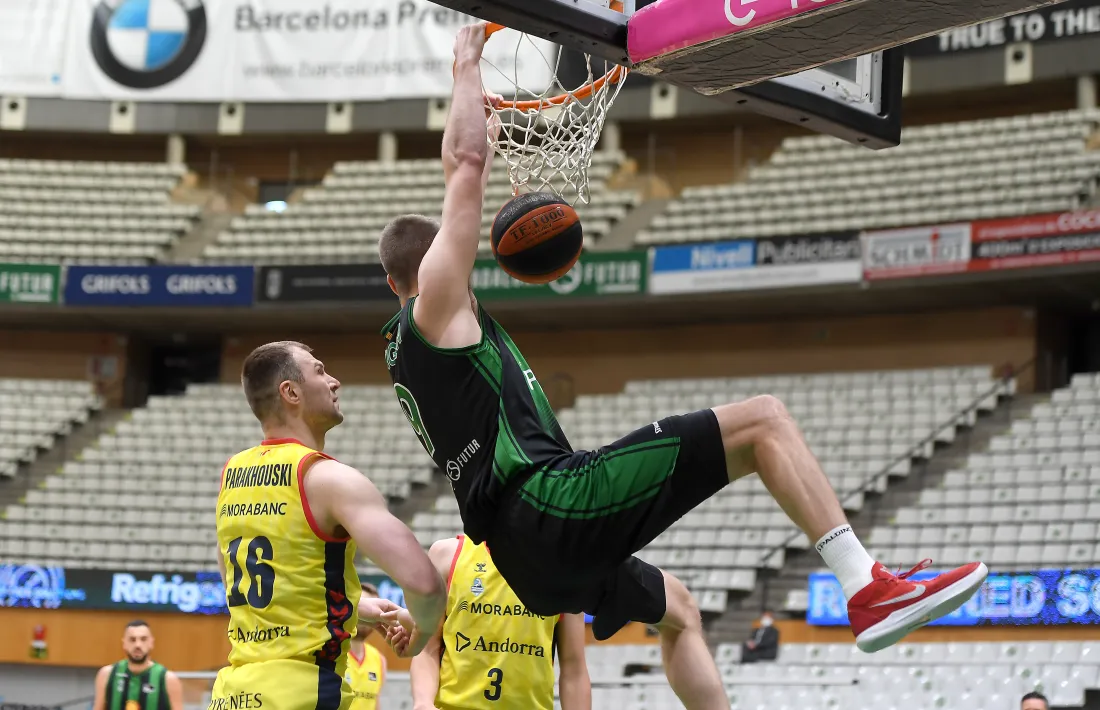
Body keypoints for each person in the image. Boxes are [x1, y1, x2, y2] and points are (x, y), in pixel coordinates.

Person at [378, 22, 988, 710]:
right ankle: (866, 587)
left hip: (524, 561)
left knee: (681, 610)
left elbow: (463, 182)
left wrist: (481, 146)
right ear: (427, 269)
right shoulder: (436, 309)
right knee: (763, 423)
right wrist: (466, 66)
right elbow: (464, 166)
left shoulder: (415, 352)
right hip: (551, 504)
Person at [209, 342, 447, 710]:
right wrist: (423, 632)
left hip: (234, 693)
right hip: (303, 693)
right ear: (291, 392)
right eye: (319, 371)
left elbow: (245, 580)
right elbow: (426, 586)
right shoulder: (329, 479)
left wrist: (362, 608)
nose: (334, 381)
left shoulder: (232, 474)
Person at [399, 535, 591, 710]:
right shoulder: (447, 555)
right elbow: (427, 648)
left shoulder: (564, 569)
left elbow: (574, 668)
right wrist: (423, 702)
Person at [93, 620, 183, 710]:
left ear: (151, 642)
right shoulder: (107, 674)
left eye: (143, 639)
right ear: (124, 643)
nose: (137, 645)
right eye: (132, 639)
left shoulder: (168, 679)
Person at [346, 582, 388, 710]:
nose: (366, 616)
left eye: (372, 612)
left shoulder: (379, 660)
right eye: (363, 608)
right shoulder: (328, 652)